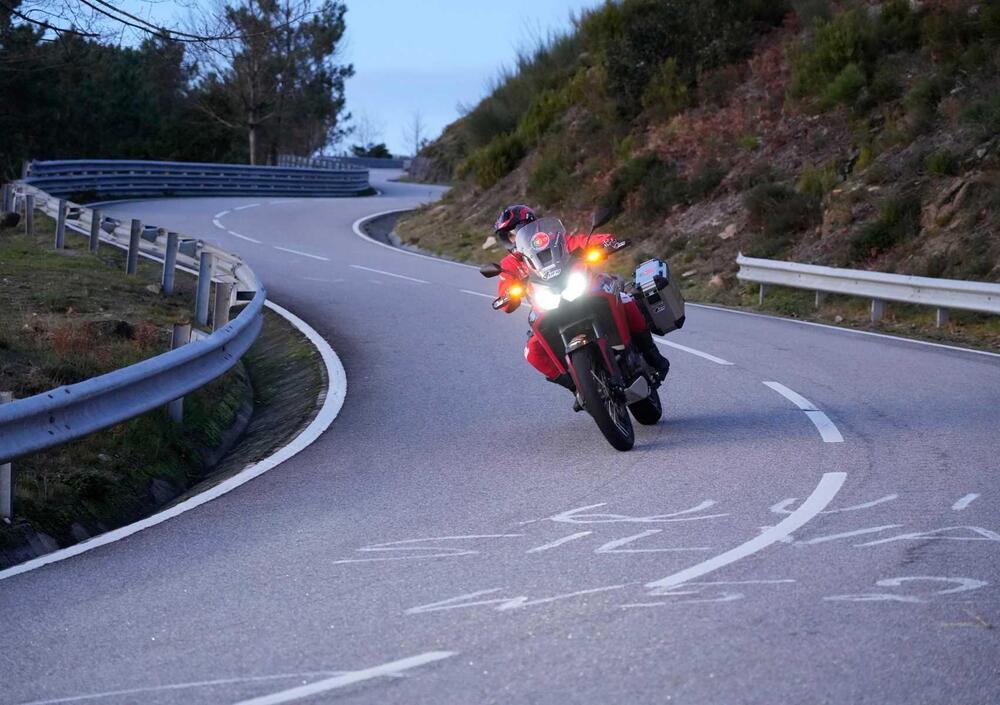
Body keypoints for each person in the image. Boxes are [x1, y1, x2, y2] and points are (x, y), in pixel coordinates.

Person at [491, 204, 670, 394]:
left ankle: (652, 355)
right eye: (509, 236)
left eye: (516, 231)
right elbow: (505, 287)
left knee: (625, 300)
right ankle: (579, 388)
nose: (514, 238)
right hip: (547, 306)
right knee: (532, 352)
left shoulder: (556, 241)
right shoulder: (509, 264)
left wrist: (605, 242)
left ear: (531, 226)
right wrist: (508, 295)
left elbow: (584, 241)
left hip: (585, 289)